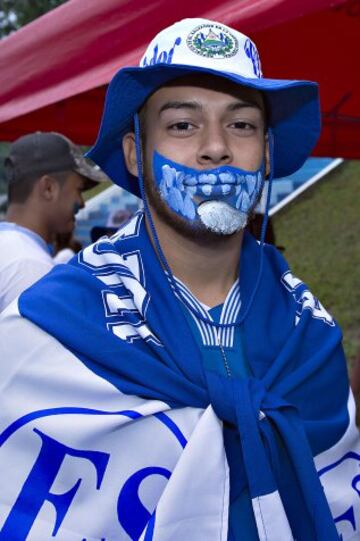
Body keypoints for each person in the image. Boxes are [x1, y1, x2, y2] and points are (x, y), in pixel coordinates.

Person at [0, 19, 358, 540]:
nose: (217, 148)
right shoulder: (48, 328)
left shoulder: (310, 335)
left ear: (267, 153)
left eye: (241, 125)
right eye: (183, 126)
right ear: (133, 154)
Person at [0, 131, 107, 311]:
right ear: (48, 188)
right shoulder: (28, 266)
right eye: (79, 190)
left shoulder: (10, 247)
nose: (82, 203)